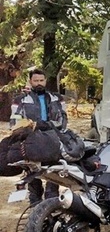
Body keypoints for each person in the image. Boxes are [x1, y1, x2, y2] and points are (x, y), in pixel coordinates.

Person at [10, 69, 68, 204]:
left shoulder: (57, 99)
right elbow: (14, 122)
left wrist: (42, 125)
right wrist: (25, 130)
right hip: (31, 143)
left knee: (53, 177)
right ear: (30, 81)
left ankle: (51, 207)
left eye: (41, 80)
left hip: (53, 141)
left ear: (45, 81)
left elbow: (63, 121)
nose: (39, 83)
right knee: (33, 179)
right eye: (35, 81)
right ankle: (35, 209)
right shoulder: (21, 100)